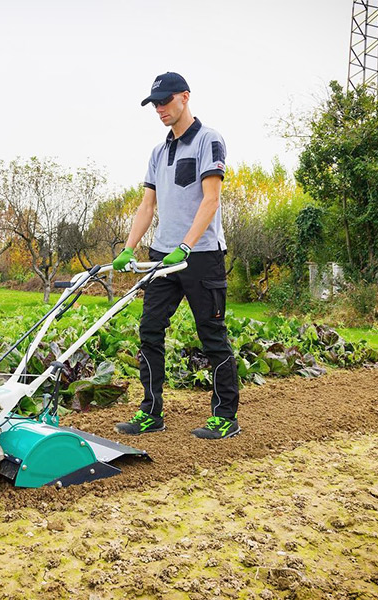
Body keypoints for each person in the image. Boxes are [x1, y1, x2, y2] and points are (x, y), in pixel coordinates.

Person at [113, 71, 240, 440]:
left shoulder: (209, 140)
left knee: (211, 334)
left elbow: (211, 199)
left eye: (165, 101)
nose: (160, 109)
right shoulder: (157, 151)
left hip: (200, 254)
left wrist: (185, 245)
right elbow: (146, 205)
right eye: (155, 104)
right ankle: (151, 412)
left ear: (185, 97)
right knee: (150, 330)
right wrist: (127, 247)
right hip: (161, 257)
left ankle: (226, 416)